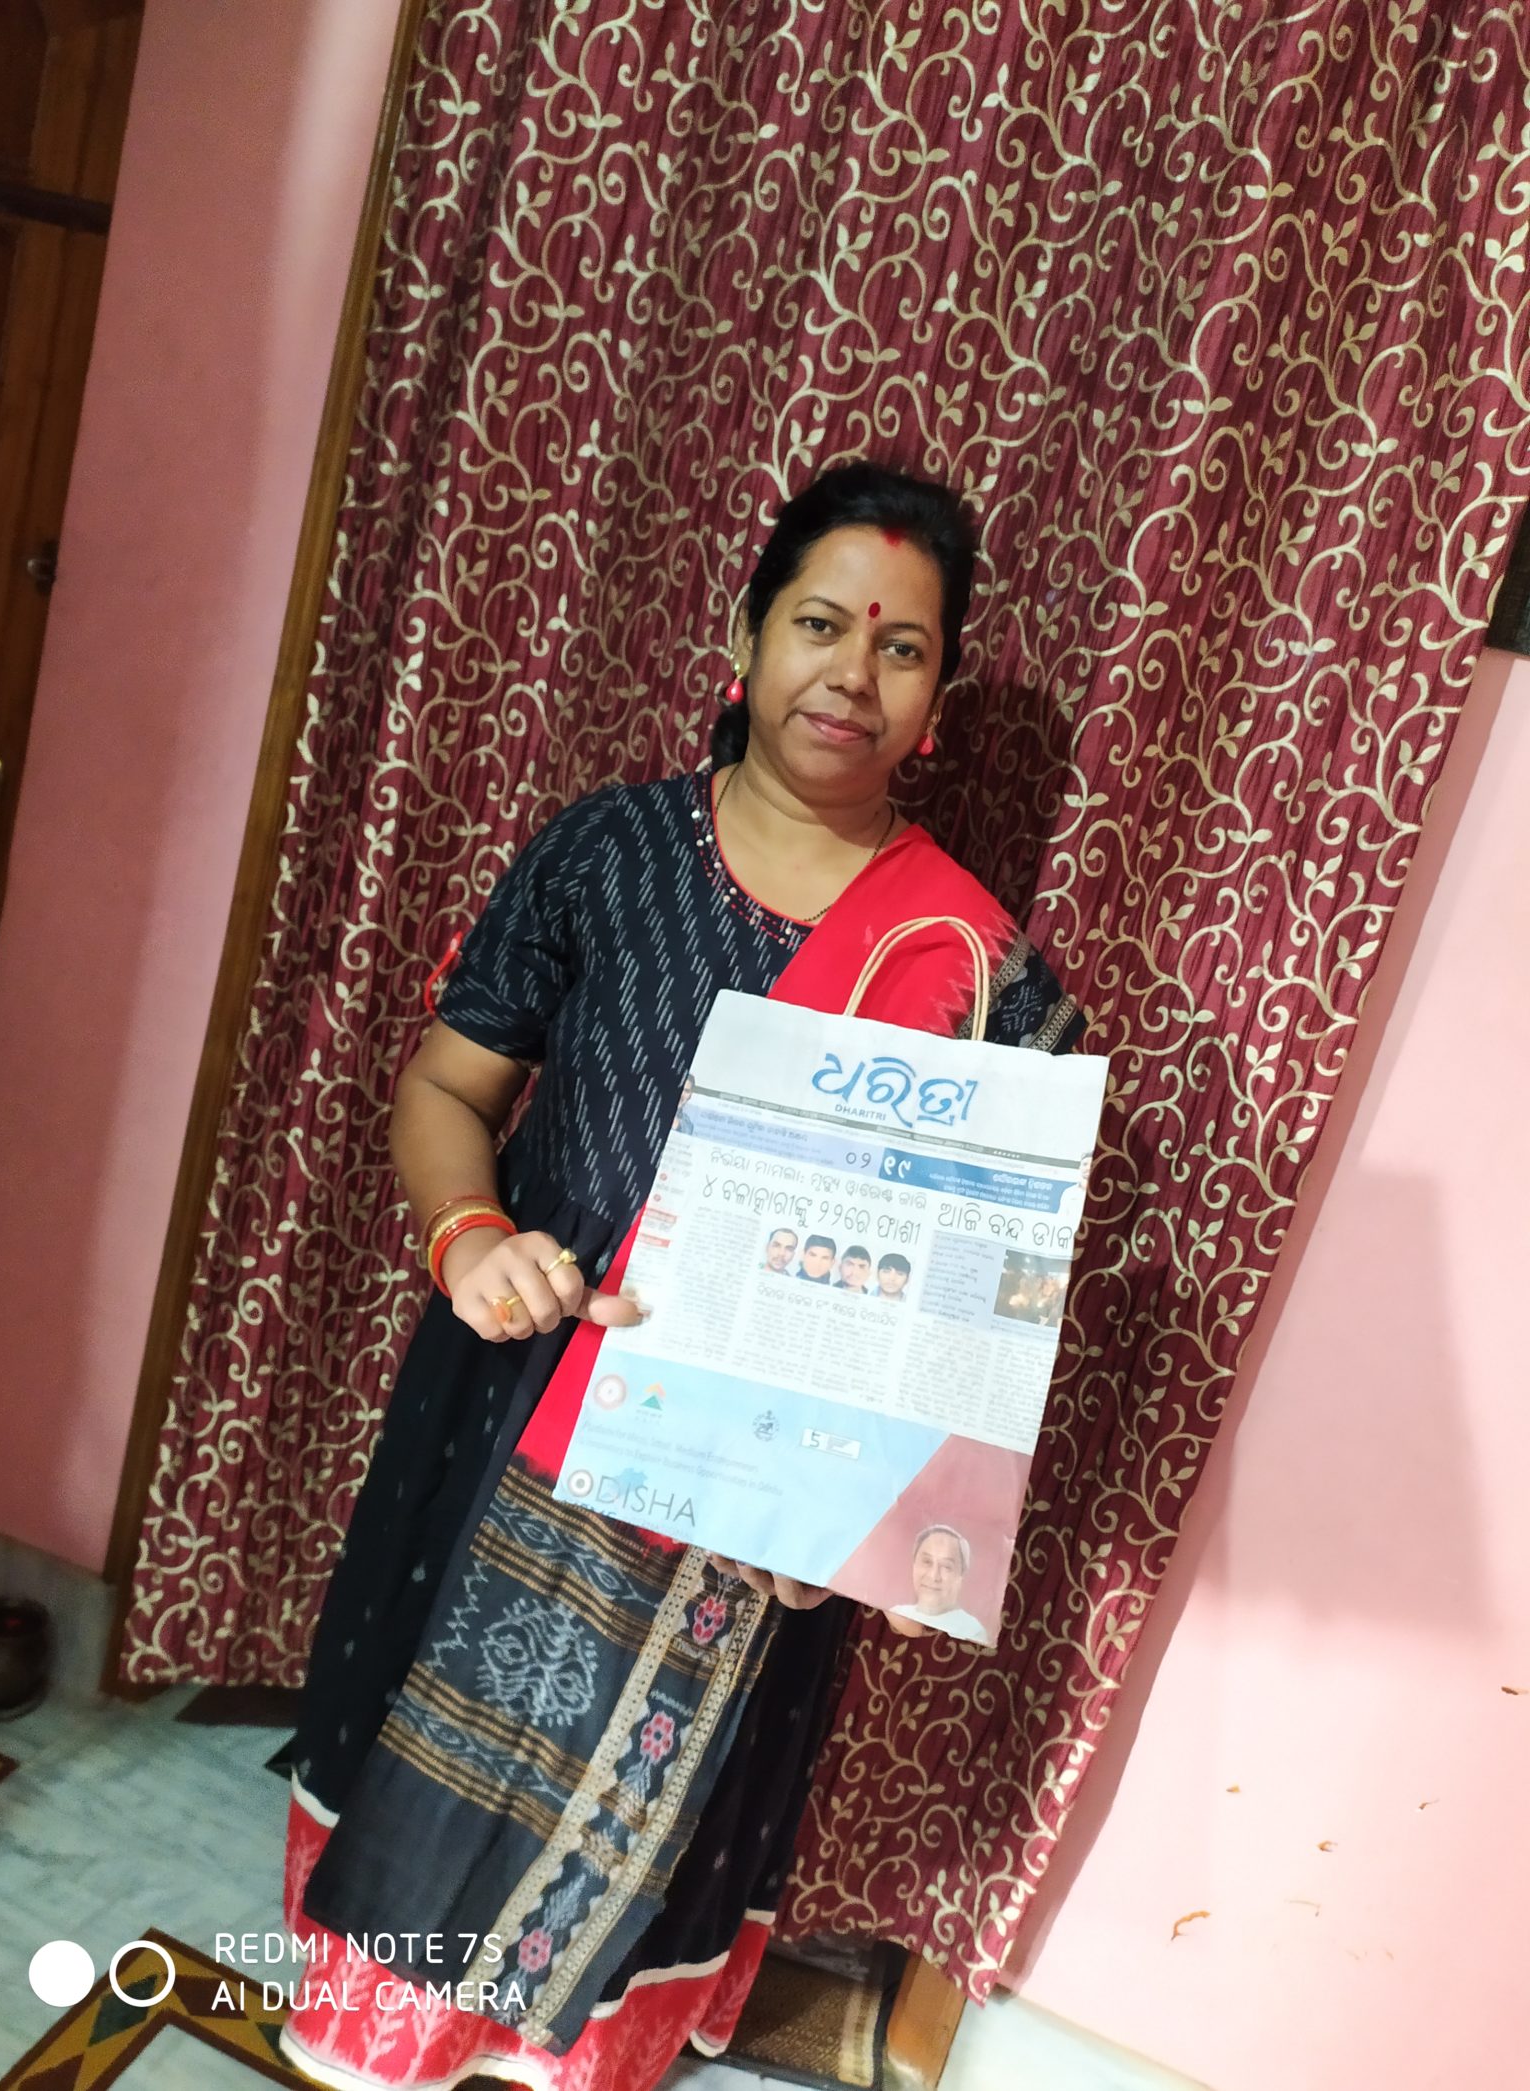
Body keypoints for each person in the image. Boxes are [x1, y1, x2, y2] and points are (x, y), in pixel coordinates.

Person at [278, 460, 1085, 2091]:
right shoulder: (607, 849)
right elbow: (444, 1090)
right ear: (746, 637)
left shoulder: (970, 960)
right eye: (819, 624)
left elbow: (981, 1293)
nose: (852, 674)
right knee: (439, 1766)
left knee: (657, 1827)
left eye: (904, 647)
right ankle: (388, 2034)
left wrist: (897, 1515)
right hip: (519, 1395)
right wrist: (472, 1235)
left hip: (757, 1492)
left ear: (937, 700)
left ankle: (572, 2050)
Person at [889, 1524, 990, 1643]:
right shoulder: (897, 1612)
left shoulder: (972, 1631)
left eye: (946, 1567)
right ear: (914, 1565)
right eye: (927, 1562)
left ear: (961, 1576)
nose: (934, 1576)